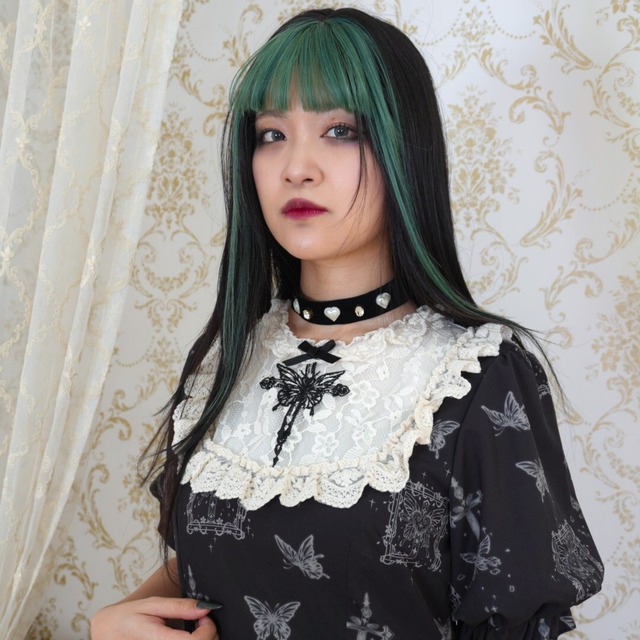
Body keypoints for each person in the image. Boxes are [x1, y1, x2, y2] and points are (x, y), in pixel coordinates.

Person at [91, 7, 604, 639]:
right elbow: (209, 568)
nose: (296, 167)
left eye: (339, 130)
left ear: (403, 148)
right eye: (271, 134)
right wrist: (113, 625)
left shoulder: (476, 378)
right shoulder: (228, 361)